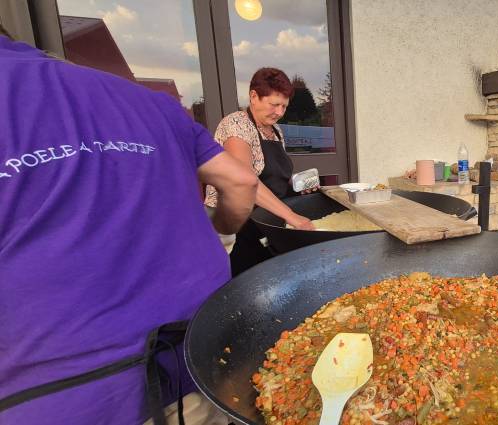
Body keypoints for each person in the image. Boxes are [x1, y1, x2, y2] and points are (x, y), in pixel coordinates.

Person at [0, 30, 258, 425]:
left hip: (53, 402)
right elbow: (240, 183)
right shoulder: (148, 101)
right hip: (200, 369)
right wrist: (222, 235)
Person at [204, 67, 316, 276]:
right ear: (254, 96)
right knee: (238, 281)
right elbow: (244, 180)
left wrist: (297, 184)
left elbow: (273, 176)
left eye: (284, 106)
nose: (279, 112)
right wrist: (292, 216)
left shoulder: (275, 130)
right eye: (274, 104)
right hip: (233, 224)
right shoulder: (237, 124)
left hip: (264, 220)